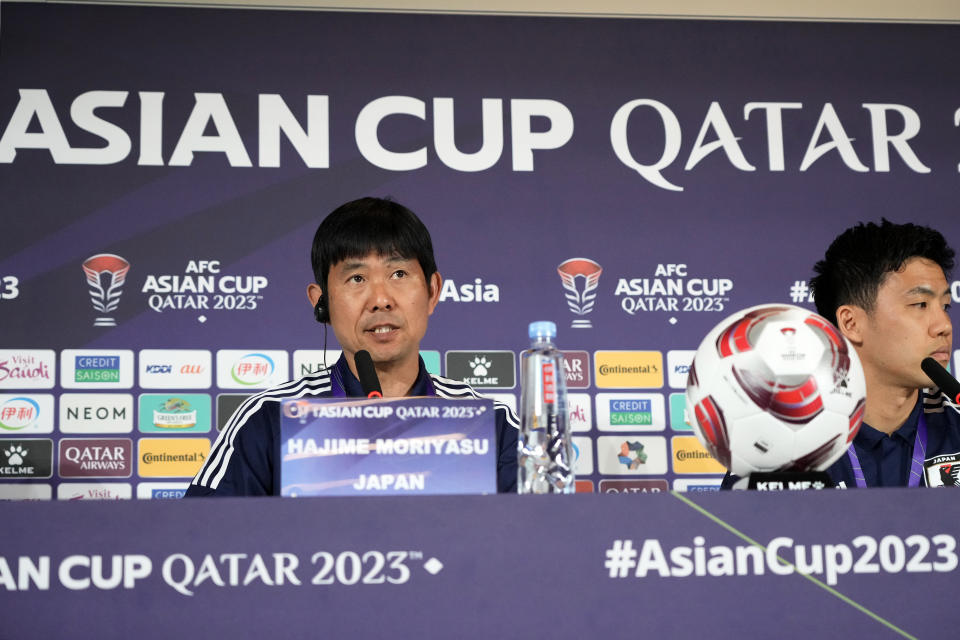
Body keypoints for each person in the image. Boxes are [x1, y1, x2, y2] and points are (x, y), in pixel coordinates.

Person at [186, 197, 519, 496]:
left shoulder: (488, 423)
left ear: (433, 291)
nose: (381, 300)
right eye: (356, 279)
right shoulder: (271, 418)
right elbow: (204, 543)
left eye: (399, 273)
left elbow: (537, 544)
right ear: (323, 304)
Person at [723, 219, 959, 488]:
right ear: (851, 323)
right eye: (920, 305)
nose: (944, 325)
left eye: (945, 307)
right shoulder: (779, 448)